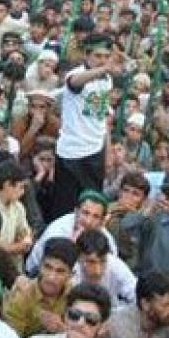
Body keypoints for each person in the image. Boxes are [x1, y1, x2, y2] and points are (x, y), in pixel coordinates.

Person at [51, 33, 124, 218]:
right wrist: (105, 68)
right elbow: (74, 83)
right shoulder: (76, 75)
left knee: (92, 205)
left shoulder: (106, 80)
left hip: (95, 152)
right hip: (71, 153)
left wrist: (107, 151)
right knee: (66, 209)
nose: (102, 61)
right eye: (98, 56)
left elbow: (103, 118)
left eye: (106, 57)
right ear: (86, 55)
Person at [4, 237, 77, 338]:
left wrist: (62, 330)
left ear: (71, 275)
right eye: (47, 267)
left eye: (60, 271)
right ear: (40, 265)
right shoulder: (22, 295)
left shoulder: (75, 295)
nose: (51, 277)